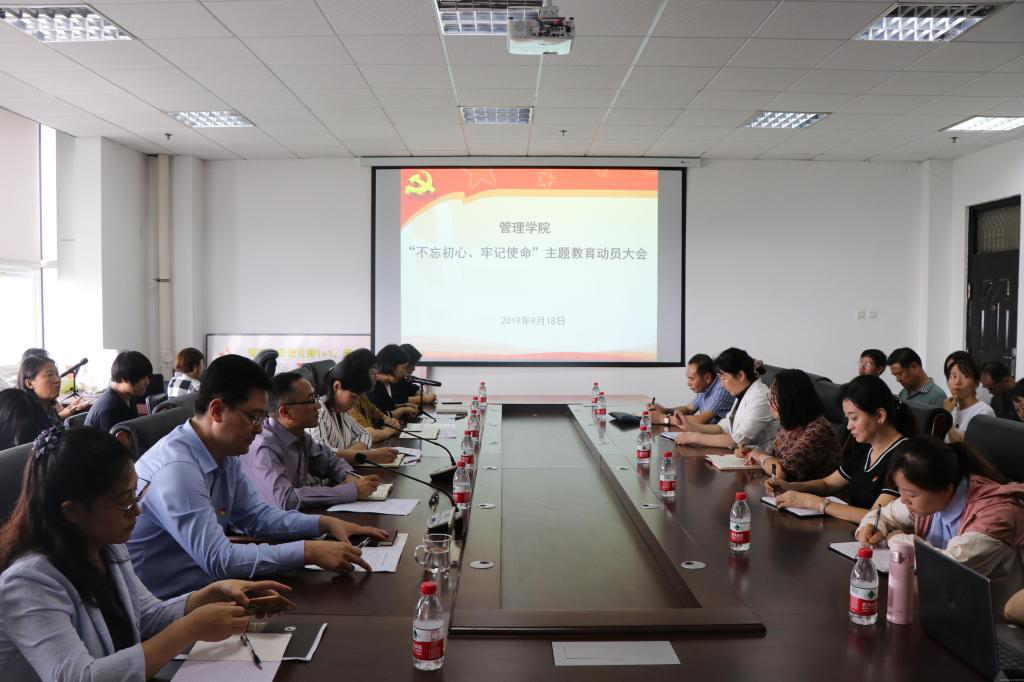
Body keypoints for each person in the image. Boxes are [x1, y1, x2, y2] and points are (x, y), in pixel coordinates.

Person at [0, 426, 294, 682]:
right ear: (73, 511)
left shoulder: (105, 546)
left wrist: (213, 593)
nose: (137, 511)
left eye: (136, 496)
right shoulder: (28, 582)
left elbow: (149, 616)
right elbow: (80, 677)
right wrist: (191, 628)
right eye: (124, 503)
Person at [127, 354, 387, 599]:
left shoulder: (224, 452)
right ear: (217, 410)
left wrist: (324, 523)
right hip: (170, 607)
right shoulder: (178, 469)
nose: (260, 429)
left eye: (263, 418)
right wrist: (307, 551)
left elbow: (257, 516)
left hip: (213, 590)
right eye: (254, 417)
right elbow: (220, 559)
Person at [856, 436, 1024, 608]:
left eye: (911, 494)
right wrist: (873, 526)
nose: (904, 500)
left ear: (946, 490)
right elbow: (883, 515)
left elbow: (948, 568)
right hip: (945, 603)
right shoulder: (932, 495)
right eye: (901, 491)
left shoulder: (994, 516)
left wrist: (897, 540)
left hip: (995, 617)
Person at [767, 374, 916, 523]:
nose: (849, 426)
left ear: (879, 416)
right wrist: (789, 486)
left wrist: (817, 503)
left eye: (854, 418)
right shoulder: (867, 448)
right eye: (847, 418)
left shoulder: (905, 458)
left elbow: (877, 517)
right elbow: (828, 484)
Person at [240, 372, 382, 511]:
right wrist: (349, 491)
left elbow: (330, 462)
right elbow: (287, 500)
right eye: (311, 401)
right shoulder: (265, 447)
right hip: (268, 524)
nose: (318, 406)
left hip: (296, 517)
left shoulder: (299, 435)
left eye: (316, 398)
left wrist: (350, 475)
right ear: (285, 413)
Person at [740, 369, 841, 482]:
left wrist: (759, 456)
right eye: (770, 396)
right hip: (787, 489)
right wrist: (751, 452)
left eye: (774, 397)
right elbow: (772, 457)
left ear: (790, 399)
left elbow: (781, 472)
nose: (769, 403)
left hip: (811, 492)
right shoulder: (790, 423)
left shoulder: (818, 430)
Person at [671, 348, 779, 450]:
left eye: (723, 378)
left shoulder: (761, 397)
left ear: (740, 376)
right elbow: (722, 428)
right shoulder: (743, 394)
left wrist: (694, 437)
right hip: (745, 455)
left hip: (763, 457)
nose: (722, 385)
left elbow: (737, 440)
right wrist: (691, 426)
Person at [310, 354, 399, 465]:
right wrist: (368, 456)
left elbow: (365, 435)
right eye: (353, 397)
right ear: (337, 386)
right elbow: (322, 456)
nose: (355, 403)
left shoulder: (341, 410)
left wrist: (349, 454)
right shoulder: (318, 413)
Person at [648, 353, 734, 426]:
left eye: (691, 379)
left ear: (707, 378)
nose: (688, 383)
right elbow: (688, 409)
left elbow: (701, 420)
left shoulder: (721, 389)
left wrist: (662, 419)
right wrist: (664, 410)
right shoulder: (705, 387)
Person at [16, 354, 86, 440]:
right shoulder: (26, 418)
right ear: (30, 384)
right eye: (49, 375)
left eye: (57, 374)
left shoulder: (49, 408)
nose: (57, 380)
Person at [84, 351, 152, 433]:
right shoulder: (108, 411)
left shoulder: (128, 397)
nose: (147, 382)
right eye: (143, 378)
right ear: (124, 378)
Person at [348, 350, 403, 442]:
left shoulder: (361, 396)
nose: (377, 377)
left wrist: (387, 420)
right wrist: (389, 431)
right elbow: (368, 435)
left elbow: (373, 410)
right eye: (373, 373)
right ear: (360, 374)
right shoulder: (348, 402)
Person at [943, 355, 994, 443]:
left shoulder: (983, 412)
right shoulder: (952, 409)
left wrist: (946, 415)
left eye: (965, 376)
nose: (957, 382)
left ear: (977, 383)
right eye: (953, 376)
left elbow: (962, 447)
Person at [367, 345, 419, 420]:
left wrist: (404, 405)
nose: (405, 373)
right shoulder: (374, 386)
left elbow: (388, 406)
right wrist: (403, 410)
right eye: (403, 368)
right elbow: (381, 416)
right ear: (391, 366)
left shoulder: (387, 383)